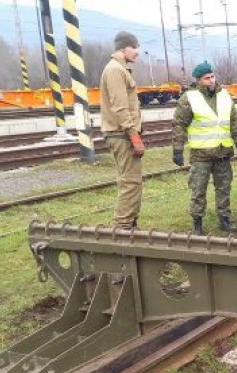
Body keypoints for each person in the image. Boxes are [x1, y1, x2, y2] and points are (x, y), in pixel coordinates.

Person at [171, 61, 237, 235]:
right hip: (201, 155)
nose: (211, 80)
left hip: (223, 152)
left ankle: (224, 218)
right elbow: (179, 124)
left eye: (212, 77)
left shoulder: (224, 95)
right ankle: (197, 222)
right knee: (198, 190)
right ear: (199, 80)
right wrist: (177, 149)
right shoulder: (190, 98)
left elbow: (233, 122)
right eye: (207, 78)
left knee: (224, 189)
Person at [100, 31, 143, 229]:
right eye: (133, 47)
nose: (137, 51)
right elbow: (120, 107)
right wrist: (134, 136)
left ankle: (129, 224)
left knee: (131, 181)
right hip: (121, 134)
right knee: (130, 182)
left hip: (122, 133)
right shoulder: (115, 70)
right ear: (122, 48)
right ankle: (122, 228)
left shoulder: (119, 69)